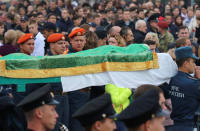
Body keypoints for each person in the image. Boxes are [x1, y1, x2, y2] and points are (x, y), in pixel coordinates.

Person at [165, 46, 200, 131]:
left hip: (172, 125)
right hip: (189, 126)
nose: (194, 65)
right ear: (185, 63)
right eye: (193, 62)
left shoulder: (171, 79)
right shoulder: (194, 83)